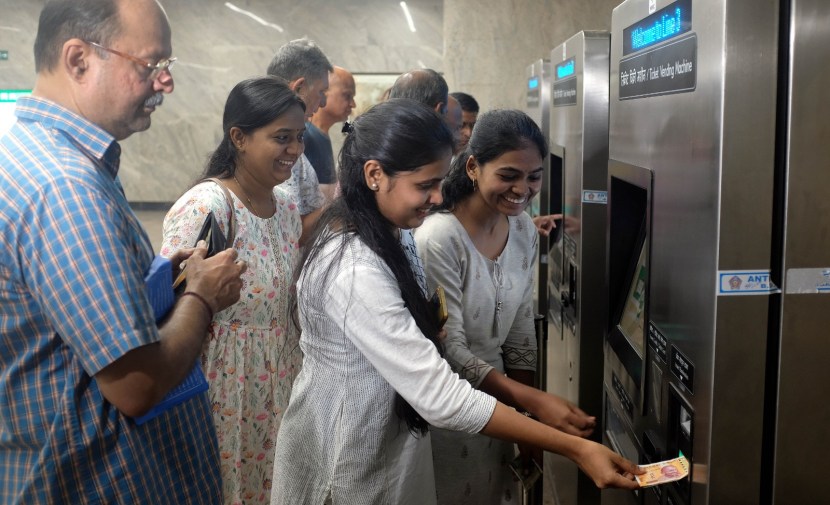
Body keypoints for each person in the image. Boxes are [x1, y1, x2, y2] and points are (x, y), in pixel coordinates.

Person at [270, 98, 642, 504]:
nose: (436, 198)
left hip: (389, 445)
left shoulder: (395, 233)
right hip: (345, 455)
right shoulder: (354, 266)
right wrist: (574, 447)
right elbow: (438, 393)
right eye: (424, 185)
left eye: (439, 183)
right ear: (375, 174)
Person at [0, 0, 246, 502]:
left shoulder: (37, 156)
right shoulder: (65, 188)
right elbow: (136, 387)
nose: (166, 83)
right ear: (78, 60)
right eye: (151, 66)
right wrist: (200, 297)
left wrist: (158, 282)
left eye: (167, 67)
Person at [414, 108, 596, 503]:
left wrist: (527, 421)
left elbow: (519, 330)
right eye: (509, 175)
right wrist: (532, 403)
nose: (522, 189)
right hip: (451, 404)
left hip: (505, 405)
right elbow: (451, 350)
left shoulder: (521, 230)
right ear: (474, 167)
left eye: (534, 176)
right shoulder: (440, 238)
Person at [160, 77, 305, 504]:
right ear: (239, 138)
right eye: (281, 138)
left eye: (299, 138)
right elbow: (167, 305)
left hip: (279, 389)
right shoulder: (209, 205)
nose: (295, 150)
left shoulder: (288, 211)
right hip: (222, 394)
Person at [266, 37, 332, 244]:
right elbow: (291, 233)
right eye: (321, 91)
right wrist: (341, 204)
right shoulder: (281, 149)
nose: (323, 102)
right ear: (299, 88)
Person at [306, 65, 356, 201]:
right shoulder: (304, 135)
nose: (353, 104)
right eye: (347, 95)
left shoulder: (320, 135)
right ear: (323, 91)